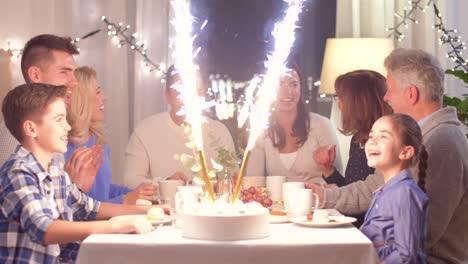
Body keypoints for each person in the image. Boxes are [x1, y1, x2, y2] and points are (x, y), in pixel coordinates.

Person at [308, 48, 468, 264]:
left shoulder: (442, 143)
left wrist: (356, 247)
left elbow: (421, 233)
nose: (385, 97)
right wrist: (324, 198)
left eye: (390, 90)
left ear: (411, 94)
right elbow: (372, 186)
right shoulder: (418, 135)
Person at [0, 83, 154, 263]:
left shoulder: (56, 171)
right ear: (31, 129)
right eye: (59, 120)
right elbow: (44, 229)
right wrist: (115, 225)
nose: (67, 127)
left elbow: (89, 208)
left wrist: (149, 210)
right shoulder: (18, 172)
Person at [0, 34, 102, 192]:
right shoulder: (14, 137)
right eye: (64, 72)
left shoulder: (51, 132)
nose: (74, 82)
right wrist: (73, 189)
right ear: (35, 75)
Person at [123, 65, 236, 188]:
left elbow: (234, 179)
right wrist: (165, 184)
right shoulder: (146, 131)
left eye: (197, 92)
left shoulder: (219, 132)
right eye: (181, 92)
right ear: (167, 96)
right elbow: (130, 181)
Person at [65, 66, 156, 204]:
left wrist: (143, 192)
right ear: (81, 98)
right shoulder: (62, 147)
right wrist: (125, 200)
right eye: (98, 92)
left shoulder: (97, 139)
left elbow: (104, 191)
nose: (104, 97)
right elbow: (77, 209)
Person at [313, 70, 392, 226]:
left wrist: (327, 195)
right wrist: (329, 171)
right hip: (352, 224)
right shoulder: (358, 139)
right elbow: (353, 190)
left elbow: (369, 196)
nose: (338, 103)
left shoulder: (385, 141)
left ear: (357, 102)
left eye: (340, 97)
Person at [246, 65, 342, 183]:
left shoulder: (321, 125)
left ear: (301, 89)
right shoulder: (261, 130)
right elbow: (253, 181)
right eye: (280, 84)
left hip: (320, 200)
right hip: (279, 201)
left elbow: (340, 185)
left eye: (294, 84)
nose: (288, 91)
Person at [361, 114, 428, 263]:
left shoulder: (405, 192)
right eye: (371, 136)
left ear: (405, 152)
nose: (372, 141)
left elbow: (406, 254)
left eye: (383, 136)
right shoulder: (386, 190)